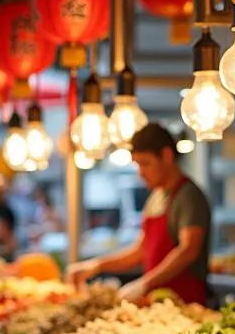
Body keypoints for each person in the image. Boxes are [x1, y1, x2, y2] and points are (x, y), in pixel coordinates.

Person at [67, 122, 211, 304]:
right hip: (157, 303)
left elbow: (188, 250)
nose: (140, 173)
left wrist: (144, 284)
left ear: (166, 156)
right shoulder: (156, 197)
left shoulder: (189, 196)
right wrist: (97, 265)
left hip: (187, 303)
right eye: (138, 165)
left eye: (146, 164)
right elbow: (141, 250)